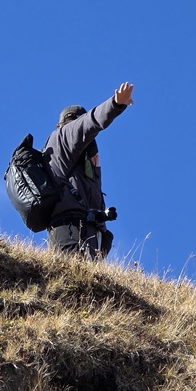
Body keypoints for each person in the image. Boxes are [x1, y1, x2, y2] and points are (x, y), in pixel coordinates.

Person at [45, 82, 134, 259]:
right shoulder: (65, 136)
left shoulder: (80, 157)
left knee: (86, 283)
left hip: (85, 231)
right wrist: (116, 103)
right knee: (72, 280)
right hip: (71, 230)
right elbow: (90, 121)